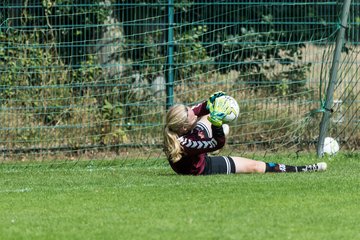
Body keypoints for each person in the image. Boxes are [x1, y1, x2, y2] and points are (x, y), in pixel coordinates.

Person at [163, 92, 327, 175]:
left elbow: (200, 109)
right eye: (189, 113)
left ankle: (303, 168)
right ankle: (303, 168)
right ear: (184, 128)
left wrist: (214, 101)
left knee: (207, 114)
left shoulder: (183, 121)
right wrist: (218, 125)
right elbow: (217, 143)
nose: (191, 111)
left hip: (198, 148)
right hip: (200, 167)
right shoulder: (186, 143)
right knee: (255, 167)